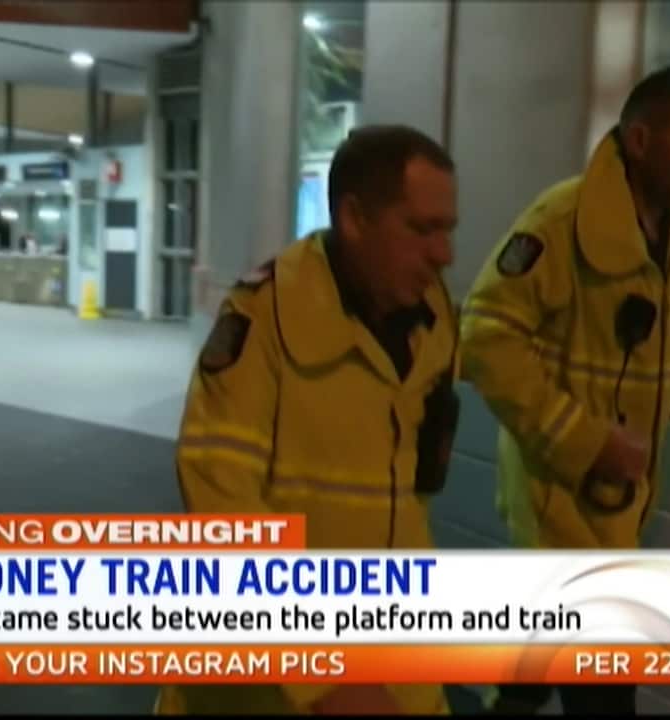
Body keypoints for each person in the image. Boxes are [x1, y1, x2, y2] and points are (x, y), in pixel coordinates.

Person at [459, 65, 670, 715]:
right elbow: (486, 337)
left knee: (528, 678)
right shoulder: (560, 222)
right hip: (557, 498)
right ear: (638, 140)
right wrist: (582, 439)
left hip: (621, 503)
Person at [156, 125, 460, 716]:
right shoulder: (264, 318)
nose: (444, 254)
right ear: (353, 218)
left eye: (447, 231)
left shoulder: (434, 318)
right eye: (422, 229)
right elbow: (222, 506)